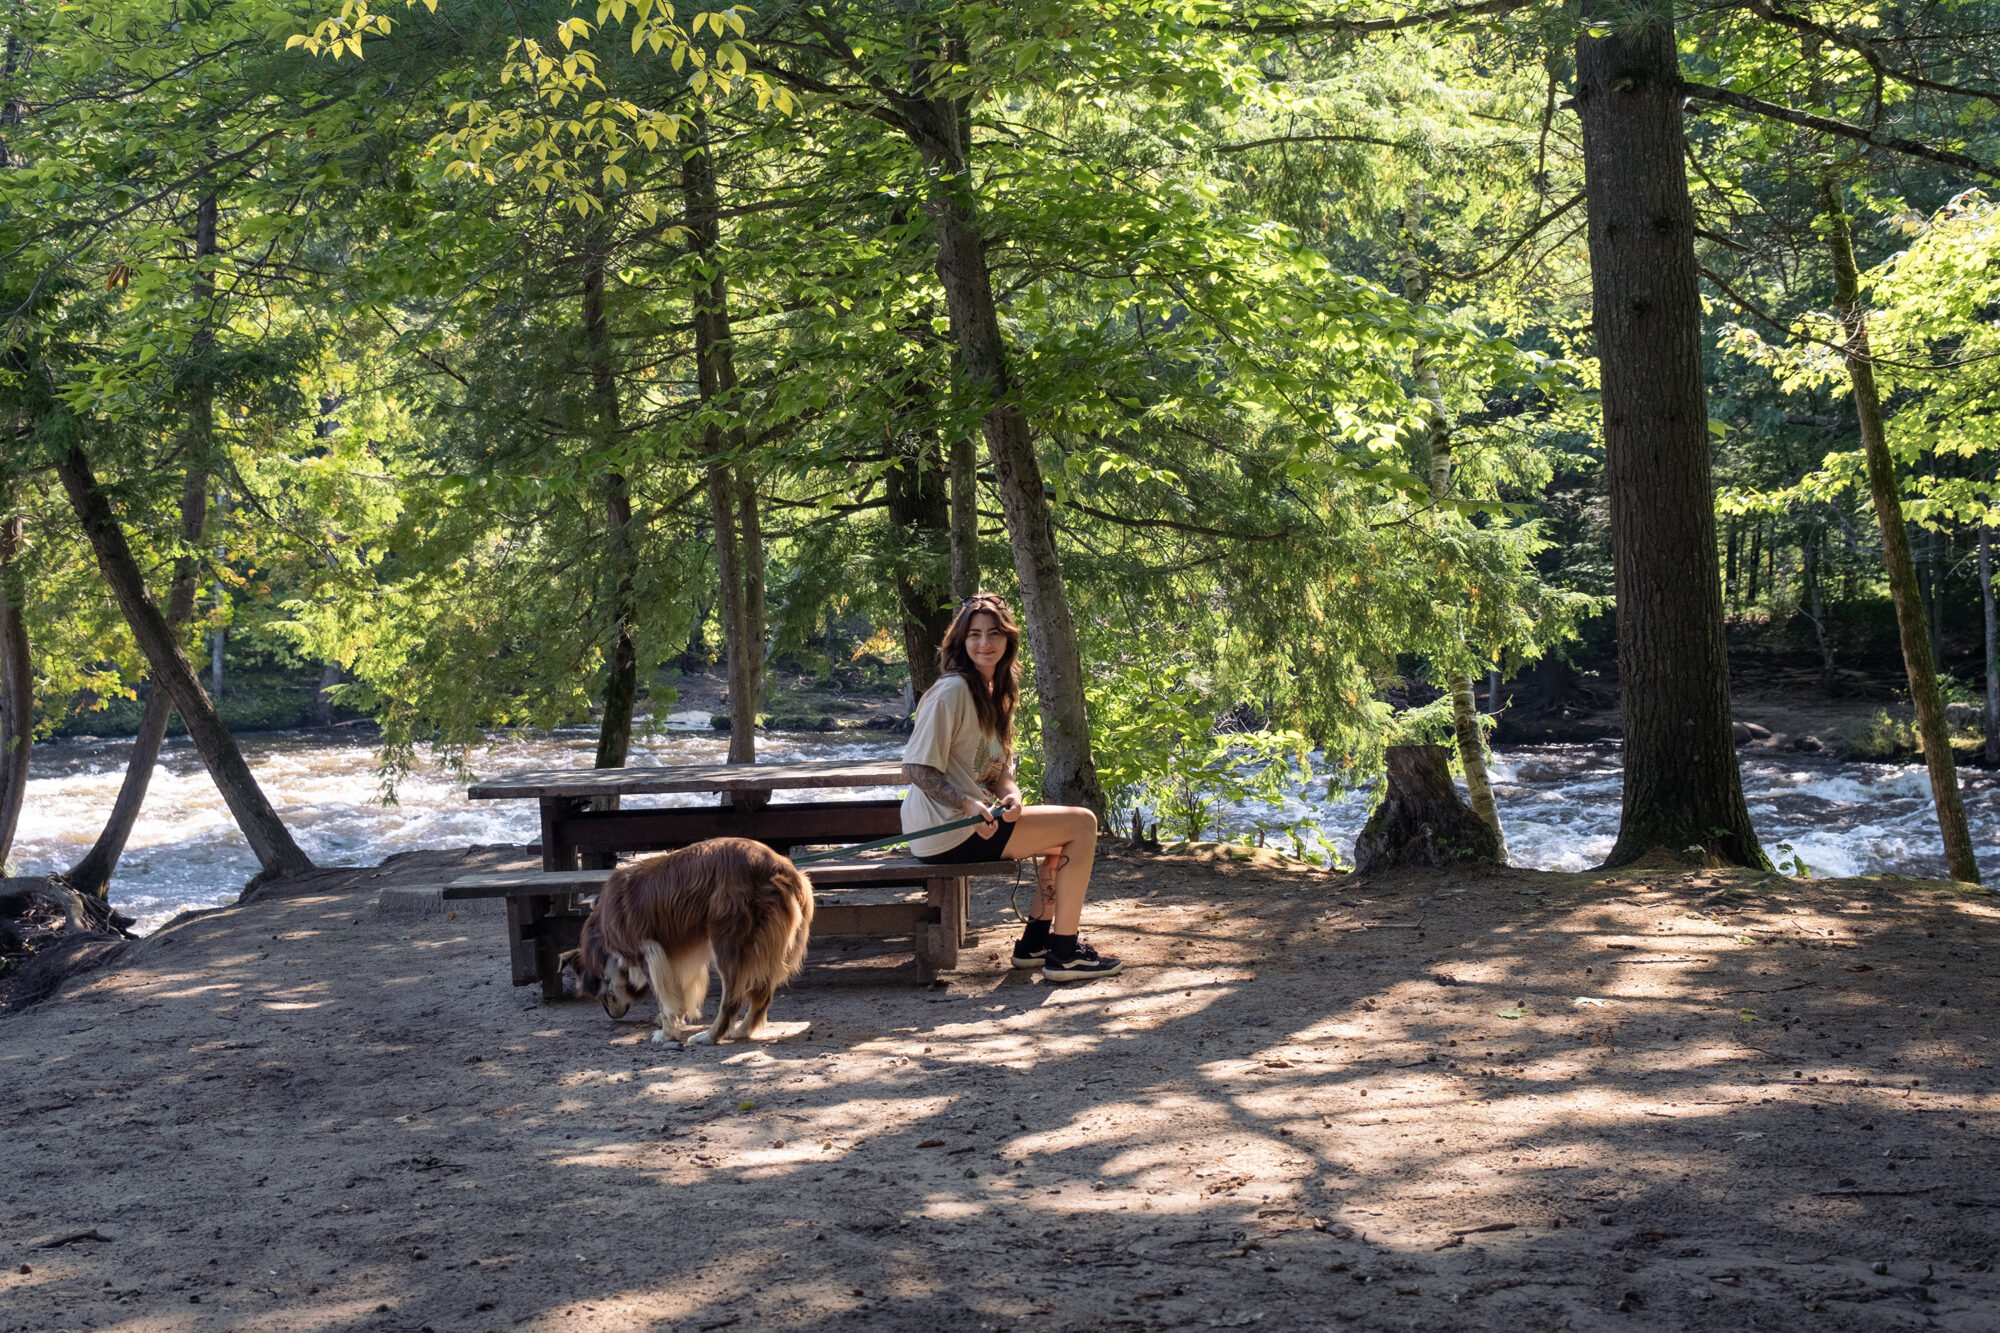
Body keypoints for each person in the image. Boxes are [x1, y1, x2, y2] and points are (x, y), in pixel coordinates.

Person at [900, 593, 1122, 980]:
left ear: (1008, 640)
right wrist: (969, 803)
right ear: (961, 642)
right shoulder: (951, 692)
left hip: (972, 821)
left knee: (1064, 839)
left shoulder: (993, 693)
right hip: (944, 830)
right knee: (1083, 824)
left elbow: (999, 770)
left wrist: (1011, 794)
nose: (984, 643)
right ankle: (1065, 954)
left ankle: (1035, 944)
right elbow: (917, 770)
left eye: (994, 634)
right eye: (974, 635)